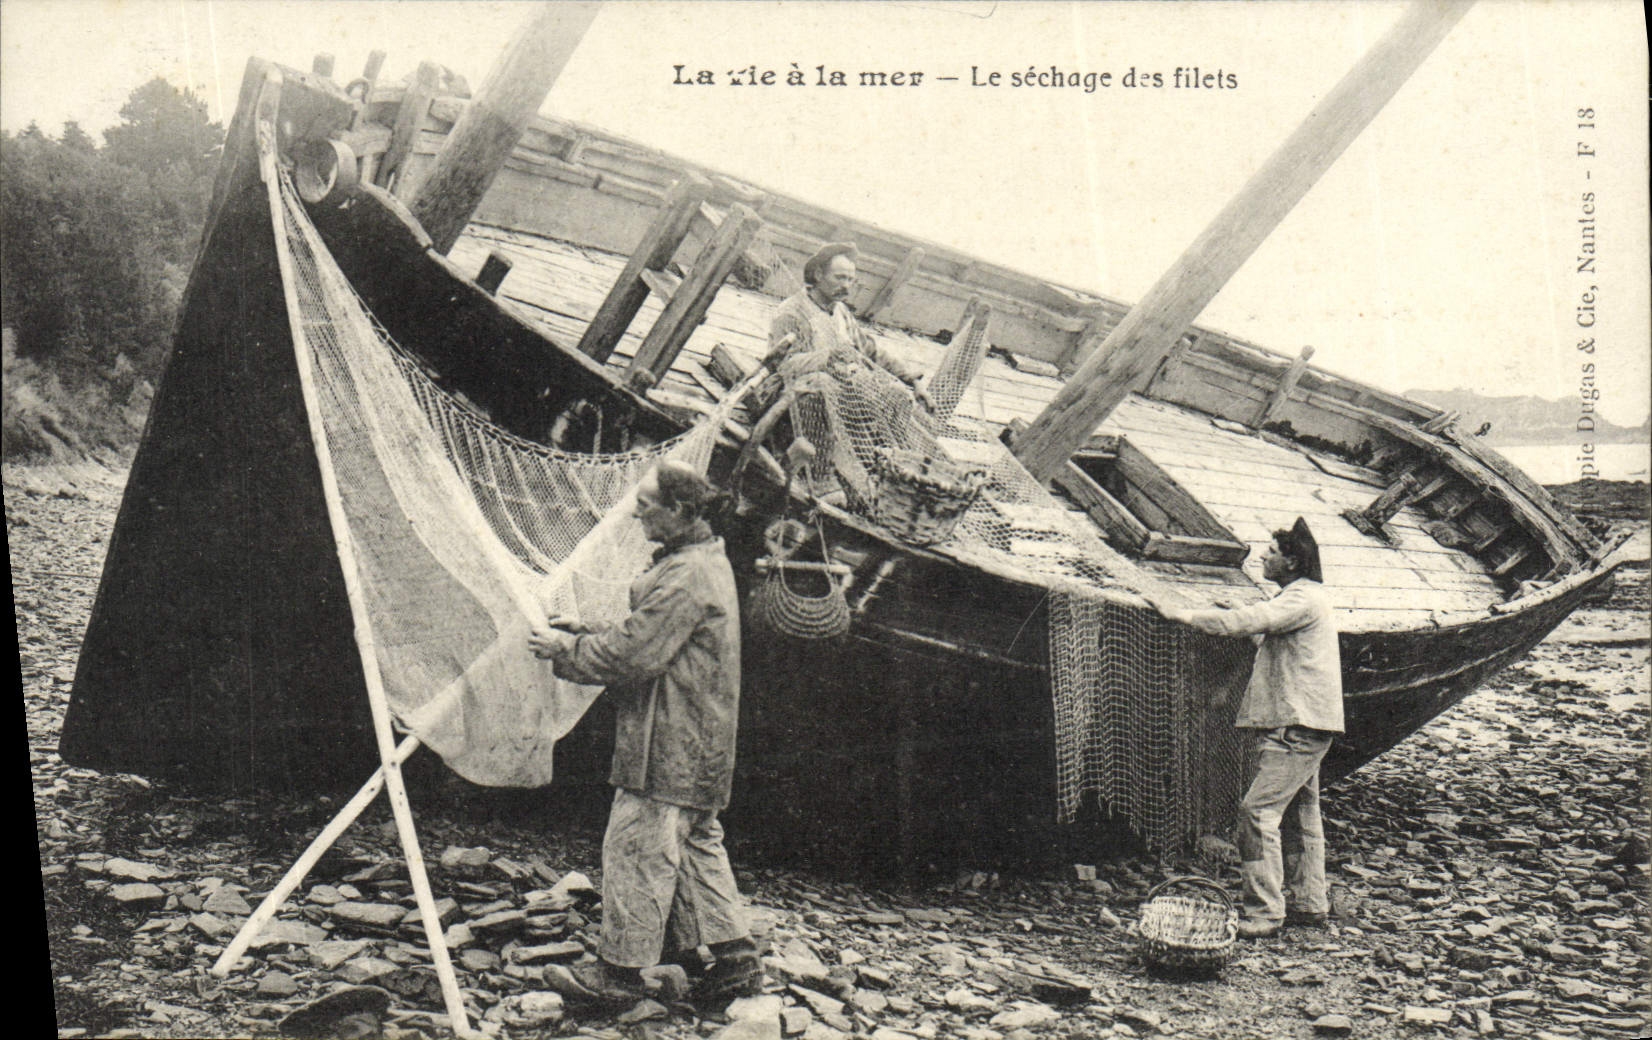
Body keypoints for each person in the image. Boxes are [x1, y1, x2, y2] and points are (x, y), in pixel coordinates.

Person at [527, 461, 762, 1003]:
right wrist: (587, 630)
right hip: (700, 743)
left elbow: (636, 653)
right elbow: (654, 634)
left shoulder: (686, 574)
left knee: (636, 847)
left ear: (680, 511)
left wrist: (567, 650)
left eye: (647, 505)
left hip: (668, 741)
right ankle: (733, 961)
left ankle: (620, 972)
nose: (636, 514)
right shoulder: (703, 562)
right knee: (697, 844)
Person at [1147, 518, 1343, 939]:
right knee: (1301, 812)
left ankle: (1264, 912)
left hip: (1296, 726)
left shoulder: (1301, 598)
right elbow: (1265, 634)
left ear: (1292, 562)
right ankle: (1309, 903)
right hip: (1309, 723)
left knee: (1256, 814)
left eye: (1271, 553)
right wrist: (1224, 616)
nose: (1264, 559)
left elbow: (1250, 621)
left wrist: (1182, 613)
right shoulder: (1308, 600)